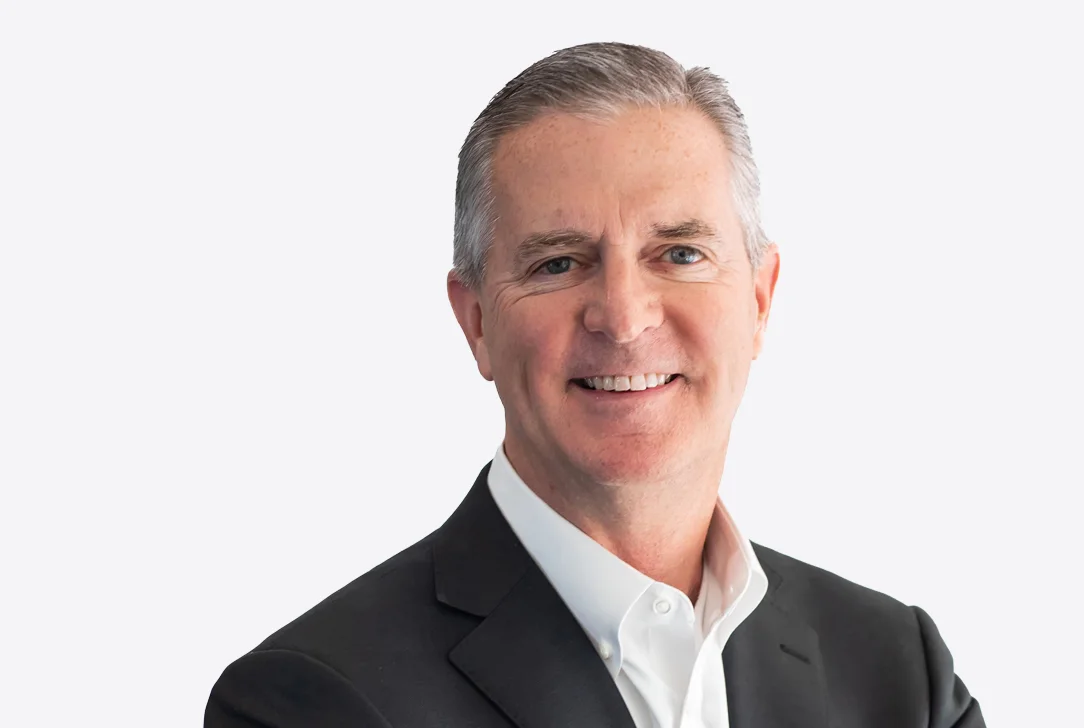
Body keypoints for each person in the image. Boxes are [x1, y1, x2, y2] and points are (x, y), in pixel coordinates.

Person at [204, 41, 985, 728]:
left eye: (679, 253)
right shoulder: (315, 699)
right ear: (476, 323)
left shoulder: (899, 674)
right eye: (558, 263)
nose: (624, 317)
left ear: (759, 299)